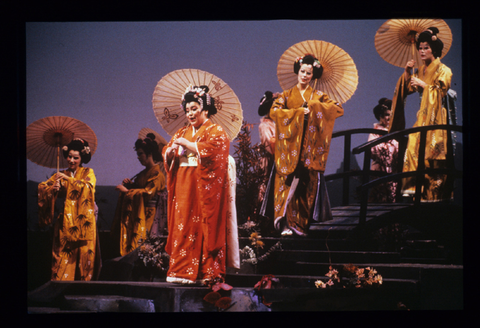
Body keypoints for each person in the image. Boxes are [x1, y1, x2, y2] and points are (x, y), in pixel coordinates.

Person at [162, 85, 238, 284]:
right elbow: (168, 150)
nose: (190, 114)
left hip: (204, 185)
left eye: (194, 109)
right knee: (182, 222)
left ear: (205, 109)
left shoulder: (216, 131)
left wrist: (189, 145)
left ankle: (207, 272)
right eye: (187, 110)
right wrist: (170, 153)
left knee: (205, 223)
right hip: (183, 184)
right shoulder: (182, 131)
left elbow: (217, 150)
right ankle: (180, 270)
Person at [266, 54, 344, 236]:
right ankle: (284, 224)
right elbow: (274, 112)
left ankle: (301, 225)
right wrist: (299, 112)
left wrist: (316, 106)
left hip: (309, 150)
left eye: (309, 73)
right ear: (297, 72)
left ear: (313, 75)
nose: (305, 76)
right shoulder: (286, 95)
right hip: (289, 149)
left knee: (306, 186)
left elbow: (338, 109)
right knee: (286, 186)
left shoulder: (318, 96)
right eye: (302, 71)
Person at [388, 27, 454, 202]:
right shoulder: (421, 70)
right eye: (420, 48)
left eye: (426, 47)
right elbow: (407, 87)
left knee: (432, 156)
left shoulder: (444, 70)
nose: (422, 51)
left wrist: (424, 85)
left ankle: (434, 196)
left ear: (434, 49)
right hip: (422, 118)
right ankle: (415, 190)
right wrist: (407, 72)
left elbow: (441, 91)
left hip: (436, 118)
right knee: (412, 147)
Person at [38, 138, 100, 281]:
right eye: (69, 156)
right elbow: (43, 187)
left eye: (76, 158)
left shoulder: (88, 172)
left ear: (81, 158)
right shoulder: (60, 174)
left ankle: (83, 291)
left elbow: (88, 187)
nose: (71, 160)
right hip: (65, 222)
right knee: (62, 258)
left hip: (84, 222)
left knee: (84, 258)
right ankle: (60, 288)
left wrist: (68, 180)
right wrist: (52, 190)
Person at [111, 133, 166, 256]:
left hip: (149, 215)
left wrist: (127, 191)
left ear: (149, 154)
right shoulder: (142, 174)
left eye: (141, 154)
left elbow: (148, 192)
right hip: (138, 212)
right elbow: (140, 188)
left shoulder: (158, 174)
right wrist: (131, 185)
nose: (139, 157)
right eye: (138, 154)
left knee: (143, 246)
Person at [367, 98, 399, 202]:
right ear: (380, 117)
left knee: (392, 193)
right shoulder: (375, 131)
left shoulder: (395, 131)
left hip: (392, 167)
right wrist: (385, 147)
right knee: (379, 193)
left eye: (391, 114)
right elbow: (371, 149)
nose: (388, 117)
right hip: (380, 166)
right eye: (386, 115)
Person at [257, 91, 278, 204]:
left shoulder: (275, 124)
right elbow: (269, 145)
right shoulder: (264, 125)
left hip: (276, 157)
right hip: (269, 158)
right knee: (266, 183)